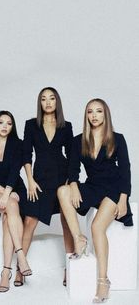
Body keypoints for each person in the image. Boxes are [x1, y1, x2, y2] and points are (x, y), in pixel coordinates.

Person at [58, 98, 133, 303]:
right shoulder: (78, 140)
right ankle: (78, 238)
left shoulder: (118, 138)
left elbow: (125, 171)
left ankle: (103, 281)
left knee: (97, 226)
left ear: (105, 115)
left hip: (113, 189)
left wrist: (123, 199)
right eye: (90, 112)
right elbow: (72, 169)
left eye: (99, 111)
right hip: (92, 186)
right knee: (62, 191)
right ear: (87, 116)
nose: (94, 115)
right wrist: (73, 185)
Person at [14, 87, 74, 287]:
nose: (48, 102)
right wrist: (30, 180)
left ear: (57, 102)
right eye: (43, 99)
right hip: (39, 179)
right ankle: (19, 268)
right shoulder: (31, 125)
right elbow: (26, 154)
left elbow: (72, 156)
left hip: (61, 178)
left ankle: (70, 268)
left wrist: (70, 183)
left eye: (52, 98)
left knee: (67, 221)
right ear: (39, 103)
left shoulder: (66, 126)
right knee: (30, 220)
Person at [0, 110, 31, 293]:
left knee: (8, 213)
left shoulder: (17, 145)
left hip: (15, 189)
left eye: (9, 123)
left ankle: (6, 271)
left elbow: (14, 172)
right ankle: (21, 256)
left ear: (12, 127)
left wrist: (9, 192)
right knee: (10, 205)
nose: (5, 126)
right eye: (1, 122)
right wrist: (5, 194)